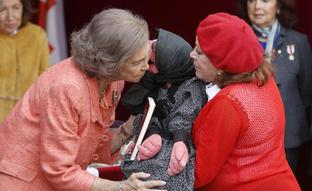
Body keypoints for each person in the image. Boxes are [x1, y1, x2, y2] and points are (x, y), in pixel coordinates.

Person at [0, 8, 166, 191]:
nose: (145, 67)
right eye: (136, 62)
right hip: (22, 181)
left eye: (145, 59)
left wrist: (129, 129)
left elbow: (90, 143)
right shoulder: (66, 88)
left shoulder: (114, 80)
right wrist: (121, 187)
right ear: (110, 62)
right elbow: (59, 170)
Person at [190, 12, 301, 190]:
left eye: (199, 52)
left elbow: (198, 175)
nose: (191, 55)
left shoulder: (229, 104)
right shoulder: (264, 80)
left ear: (220, 65)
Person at [121, 28, 207, 190]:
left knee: (168, 170)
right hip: (160, 140)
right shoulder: (158, 83)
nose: (146, 68)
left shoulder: (192, 86)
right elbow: (149, 113)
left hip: (179, 143)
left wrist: (179, 140)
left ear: (169, 66)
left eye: (151, 63)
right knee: (137, 160)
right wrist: (153, 133)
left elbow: (185, 116)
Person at [237, 0, 312, 173]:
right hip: (247, 136)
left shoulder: (298, 42)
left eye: (264, 1)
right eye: (251, 1)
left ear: (278, 6)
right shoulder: (238, 40)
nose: (257, 7)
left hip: (288, 137)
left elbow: (307, 92)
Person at [0, 0, 50, 122]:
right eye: (2, 10)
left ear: (23, 8)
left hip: (29, 117)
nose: (10, 16)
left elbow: (45, 79)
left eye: (16, 8)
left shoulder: (37, 35)